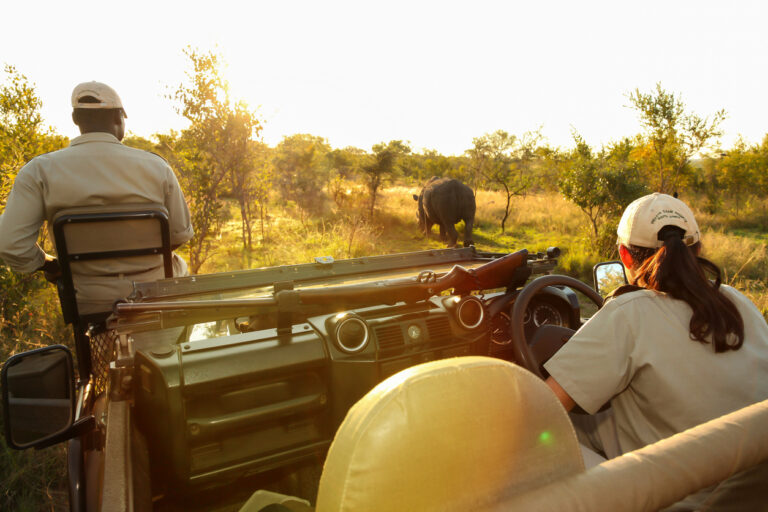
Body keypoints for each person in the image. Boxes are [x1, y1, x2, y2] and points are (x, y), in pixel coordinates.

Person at [544, 192, 768, 509]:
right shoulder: (739, 301)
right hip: (748, 495)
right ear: (698, 250)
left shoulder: (628, 312)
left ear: (624, 255)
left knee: (545, 439)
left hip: (673, 501)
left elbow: (541, 409)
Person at [0, 81, 193, 314]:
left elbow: (10, 246)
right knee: (180, 266)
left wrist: (51, 263)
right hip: (154, 296)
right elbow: (180, 234)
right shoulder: (156, 167)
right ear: (118, 117)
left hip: (86, 302)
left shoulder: (39, 171)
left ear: (75, 119)